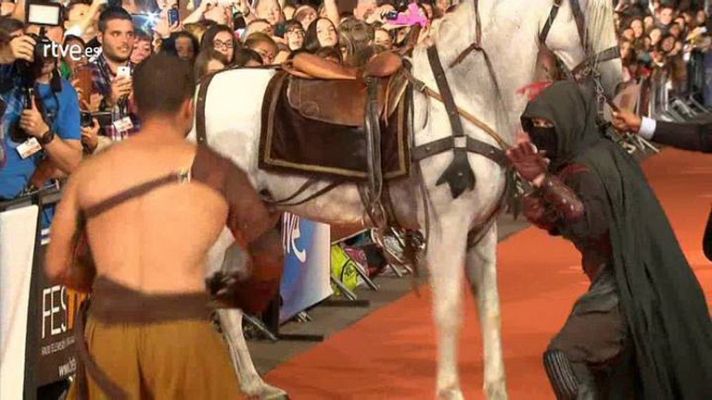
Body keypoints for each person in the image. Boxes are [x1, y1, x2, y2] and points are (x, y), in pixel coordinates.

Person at [45, 53, 283, 399]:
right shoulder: (219, 171)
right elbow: (267, 257)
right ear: (190, 108)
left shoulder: (94, 172)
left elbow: (59, 263)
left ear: (135, 105)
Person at [507, 81, 712, 399]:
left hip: (627, 287)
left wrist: (541, 181)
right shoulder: (599, 154)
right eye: (536, 125)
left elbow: (588, 221)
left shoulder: (588, 166)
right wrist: (548, 212)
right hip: (631, 279)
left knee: (562, 357)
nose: (541, 132)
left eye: (549, 124)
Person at [0, 19, 82, 200]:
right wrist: (3, 56)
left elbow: (73, 163)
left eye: (51, 45)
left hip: (27, 202)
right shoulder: (5, 70)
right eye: (36, 40)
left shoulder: (65, 91)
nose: (43, 52)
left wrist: (43, 132)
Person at [76, 7, 139, 141]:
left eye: (129, 34)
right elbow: (78, 127)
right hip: (102, 156)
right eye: (116, 34)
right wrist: (107, 102)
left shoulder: (143, 74)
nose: (124, 41)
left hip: (139, 156)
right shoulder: (84, 75)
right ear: (100, 37)